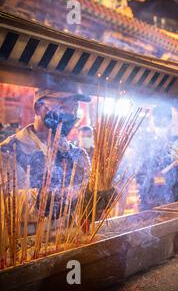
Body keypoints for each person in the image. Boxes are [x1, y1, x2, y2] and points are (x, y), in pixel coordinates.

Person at [0, 89, 112, 220]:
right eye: (63, 105)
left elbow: (82, 208)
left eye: (74, 108)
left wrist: (95, 202)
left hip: (71, 239)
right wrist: (41, 199)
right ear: (38, 108)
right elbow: (4, 202)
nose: (70, 114)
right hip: (26, 239)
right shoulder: (8, 152)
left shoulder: (77, 156)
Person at [136, 105, 178, 210]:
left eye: (164, 122)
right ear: (152, 121)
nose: (161, 126)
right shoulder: (146, 142)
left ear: (170, 122)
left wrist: (176, 166)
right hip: (149, 195)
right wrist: (150, 176)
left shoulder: (177, 141)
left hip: (172, 193)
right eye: (158, 122)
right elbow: (139, 170)